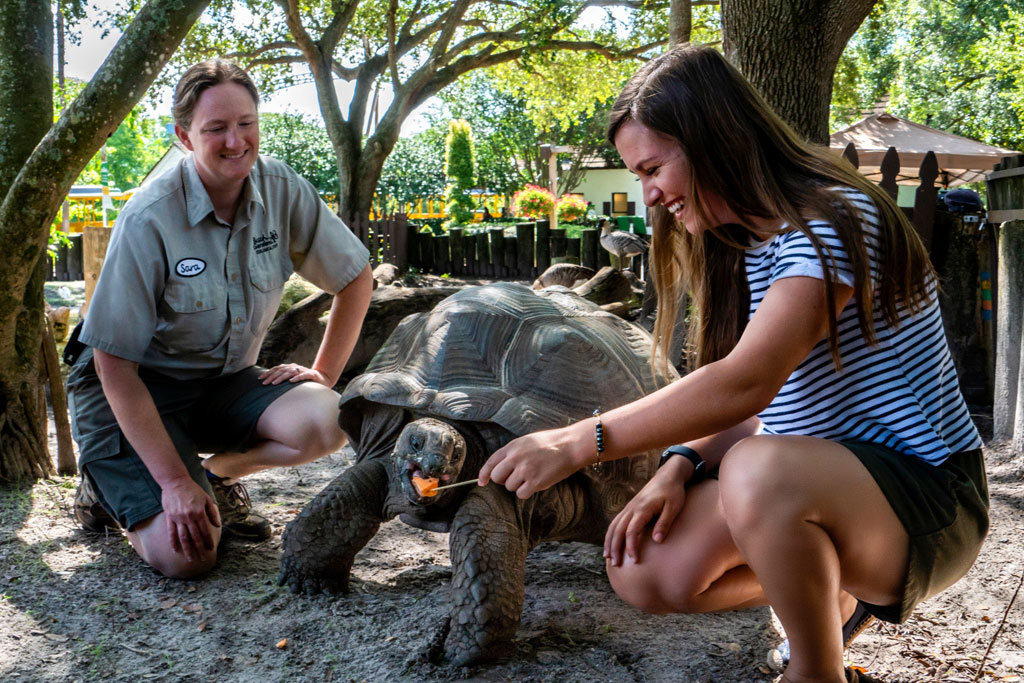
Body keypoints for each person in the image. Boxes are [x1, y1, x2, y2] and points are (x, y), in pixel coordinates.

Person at [478, 45, 988, 683]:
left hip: (931, 499)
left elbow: (746, 383)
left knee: (754, 469)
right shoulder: (752, 249)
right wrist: (677, 466)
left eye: (654, 167)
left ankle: (816, 668)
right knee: (643, 565)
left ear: (711, 138)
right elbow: (768, 402)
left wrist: (582, 440)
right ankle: (827, 586)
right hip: (824, 487)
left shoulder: (832, 219)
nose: (650, 195)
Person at [68, 59, 373, 580]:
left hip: (217, 386)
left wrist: (323, 374)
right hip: (129, 393)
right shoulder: (149, 217)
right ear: (185, 136)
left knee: (329, 417)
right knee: (189, 557)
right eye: (216, 129)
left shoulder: (281, 188)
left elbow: (355, 277)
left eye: (246, 123)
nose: (236, 142)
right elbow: (112, 365)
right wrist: (172, 484)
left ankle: (213, 476)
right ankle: (110, 484)